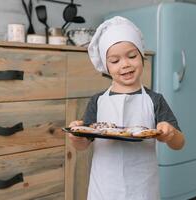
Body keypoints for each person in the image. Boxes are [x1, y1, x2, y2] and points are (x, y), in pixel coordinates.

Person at [68, 16, 185, 200]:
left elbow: (179, 144)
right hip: (105, 186)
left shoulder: (155, 100)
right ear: (106, 66)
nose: (125, 64)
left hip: (142, 187)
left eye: (132, 56)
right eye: (115, 61)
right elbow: (83, 145)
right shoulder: (97, 102)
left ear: (142, 56)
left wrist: (170, 134)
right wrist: (76, 137)